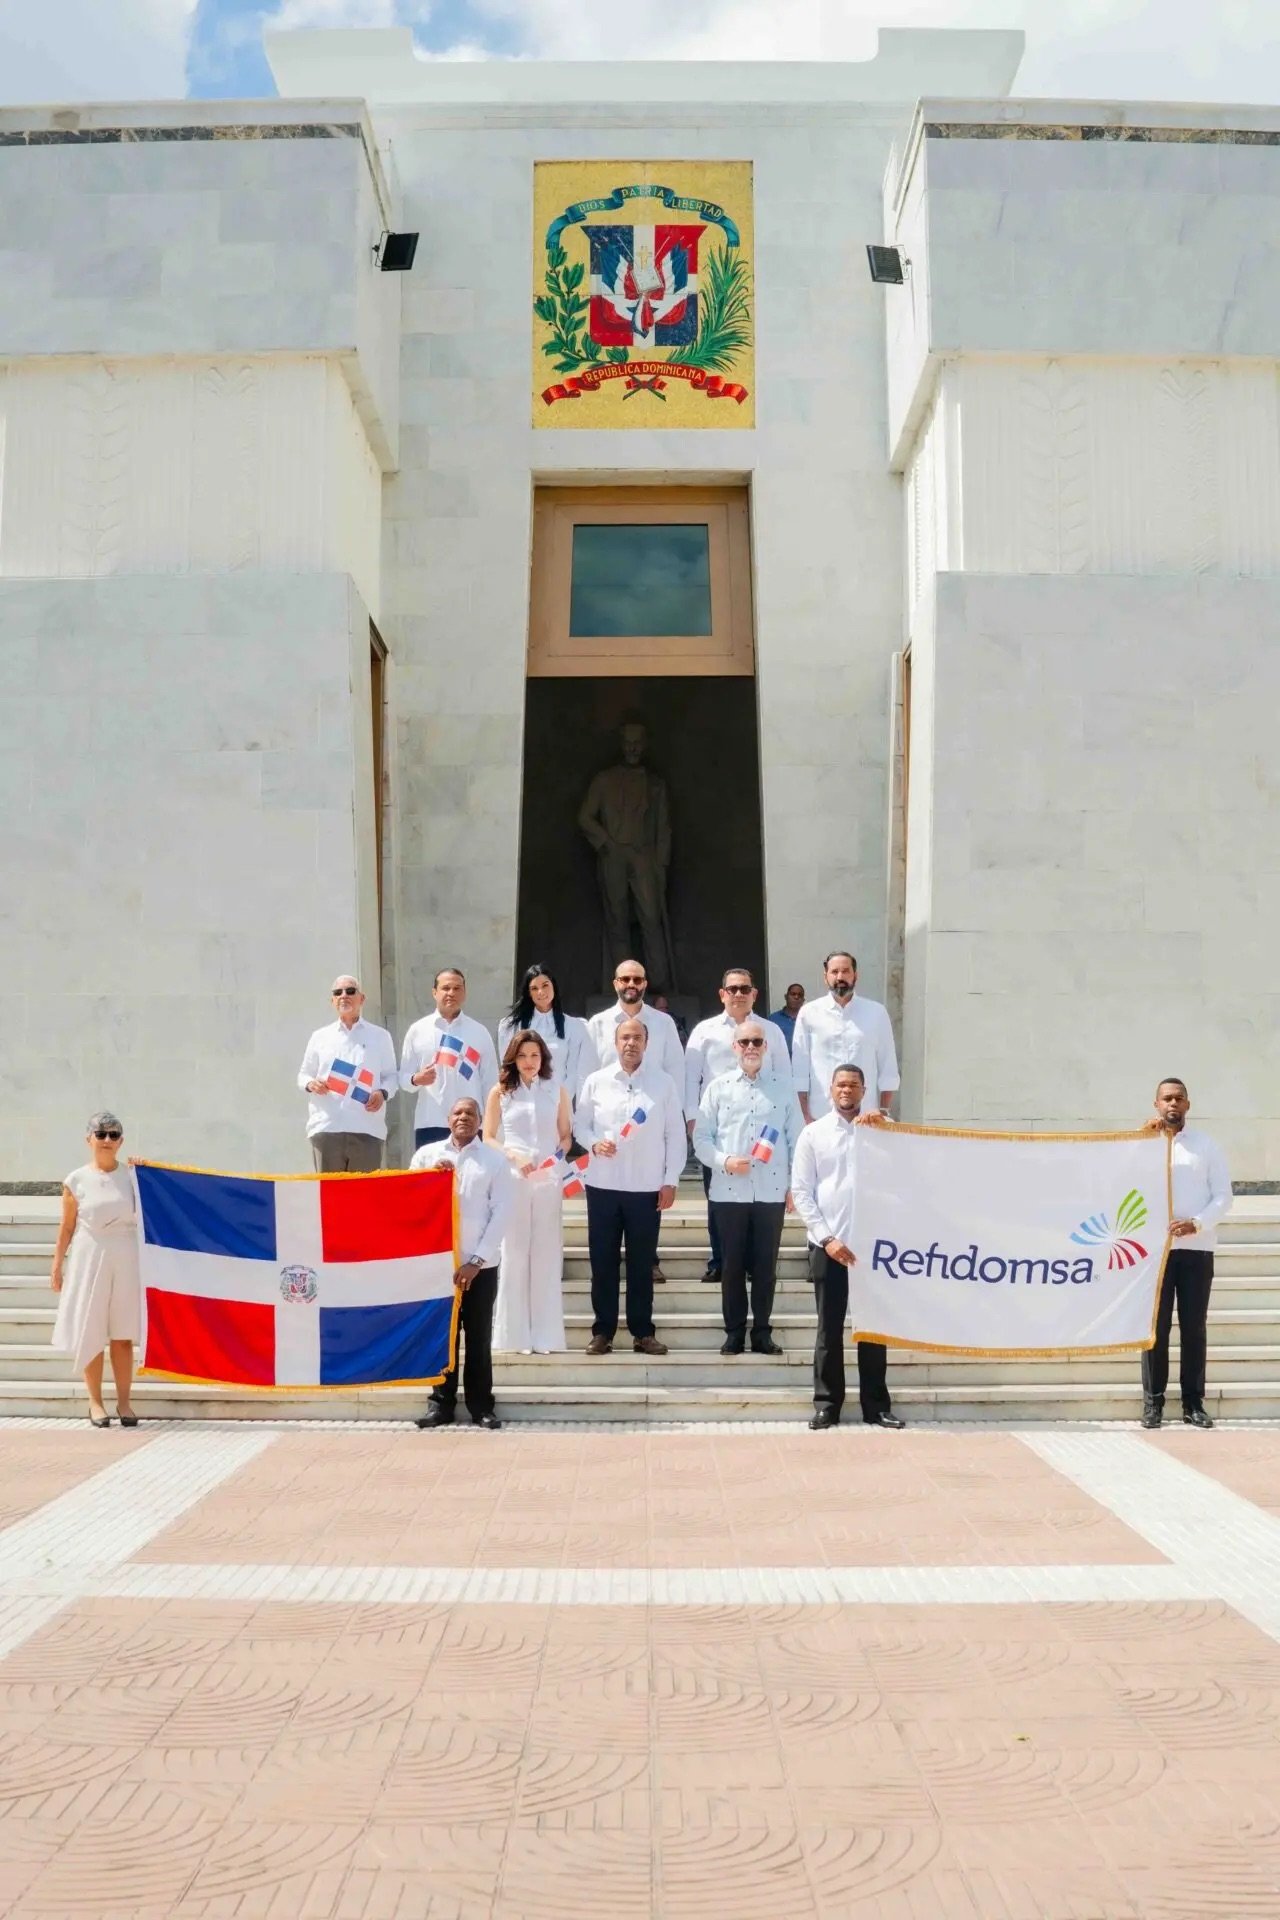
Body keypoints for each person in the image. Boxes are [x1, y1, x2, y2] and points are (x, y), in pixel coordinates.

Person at [790, 1065, 905, 1431]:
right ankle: (827, 1404)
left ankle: (876, 1406)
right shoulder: (813, 1134)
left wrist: (886, 1123)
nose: (847, 1090)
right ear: (830, 1089)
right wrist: (827, 1237)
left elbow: (904, 1175)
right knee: (829, 1327)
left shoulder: (879, 1132)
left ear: (864, 1089)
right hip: (829, 1246)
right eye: (841, 1084)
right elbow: (802, 1193)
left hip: (871, 1248)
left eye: (854, 1085)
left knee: (872, 1329)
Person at [575, 1017, 685, 1356]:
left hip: (647, 1187)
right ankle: (603, 1332)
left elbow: (674, 1135)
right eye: (625, 1037)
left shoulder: (663, 1083)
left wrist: (671, 1180)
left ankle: (642, 1332)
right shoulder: (596, 1081)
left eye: (637, 1037)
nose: (631, 1043)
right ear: (615, 1041)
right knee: (603, 1262)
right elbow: (580, 1125)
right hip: (603, 1185)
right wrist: (594, 1143)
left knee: (641, 1265)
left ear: (647, 1043)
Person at [693, 1021, 802, 1356]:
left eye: (757, 1041)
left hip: (770, 1192)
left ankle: (763, 1332)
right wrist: (724, 1160)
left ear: (765, 1047)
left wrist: (794, 1186)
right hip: (730, 1192)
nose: (751, 1047)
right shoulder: (717, 1088)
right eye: (744, 1042)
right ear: (734, 1047)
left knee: (766, 1267)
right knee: (732, 1267)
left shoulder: (784, 1088)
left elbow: (797, 1139)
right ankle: (734, 1333)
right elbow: (701, 1138)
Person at [685, 968, 791, 1285]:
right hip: (719, 1129)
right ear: (722, 994)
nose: (738, 994)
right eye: (732, 989)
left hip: (764, 1131)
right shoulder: (704, 1031)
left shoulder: (770, 1031)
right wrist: (692, 1119)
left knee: (758, 1202)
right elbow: (691, 1078)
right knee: (720, 1199)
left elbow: (784, 1077)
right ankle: (721, 1260)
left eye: (744, 988)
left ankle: (752, 1263)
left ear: (754, 994)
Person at [411, 1096, 512, 1430]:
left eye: (470, 1113)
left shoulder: (494, 1161)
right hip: (440, 1267)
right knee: (444, 1338)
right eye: (458, 1112)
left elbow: (500, 1214)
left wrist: (476, 1261)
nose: (463, 1117)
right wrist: (429, 1179)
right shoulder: (427, 1156)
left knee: (479, 1337)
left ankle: (482, 1407)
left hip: (480, 1266)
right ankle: (440, 1405)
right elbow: (408, 1200)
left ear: (480, 1120)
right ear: (447, 1118)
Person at [1141, 1077, 1233, 1430]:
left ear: (1188, 1105)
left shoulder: (1206, 1146)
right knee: (1155, 1330)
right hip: (1156, 1253)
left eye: (1179, 1098)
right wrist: (1142, 1137)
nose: (1173, 1104)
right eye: (1166, 1099)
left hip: (1196, 1249)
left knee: (1193, 1328)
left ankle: (1193, 1403)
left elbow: (1223, 1195)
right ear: (1156, 1104)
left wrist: (1197, 1223)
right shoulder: (1143, 1144)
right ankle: (1153, 1404)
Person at [50, 1111, 141, 1427]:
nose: (106, 1140)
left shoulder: (133, 1177)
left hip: (126, 1254)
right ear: (88, 1139)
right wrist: (56, 1266)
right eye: (100, 1134)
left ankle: (125, 1404)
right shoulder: (76, 1179)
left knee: (123, 1333)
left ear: (121, 1141)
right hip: (90, 1254)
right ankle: (95, 1403)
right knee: (91, 1329)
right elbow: (66, 1227)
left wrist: (148, 1172)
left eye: (113, 1135)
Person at [484, 1030, 572, 1355]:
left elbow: (565, 1136)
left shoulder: (556, 1090)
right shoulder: (500, 1092)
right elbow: (488, 1136)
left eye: (534, 1056)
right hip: (515, 1174)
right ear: (513, 1059)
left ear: (543, 1058)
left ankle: (547, 1336)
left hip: (548, 1177)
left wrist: (555, 1159)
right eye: (522, 1056)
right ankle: (513, 1336)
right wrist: (513, 1156)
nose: (529, 1062)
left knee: (547, 1252)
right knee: (515, 1251)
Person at [578, 718, 674, 993]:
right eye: (628, 743)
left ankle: (660, 985)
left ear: (644, 745)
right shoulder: (604, 780)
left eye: (637, 743)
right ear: (621, 745)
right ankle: (623, 985)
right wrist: (605, 843)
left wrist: (662, 865)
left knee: (651, 919)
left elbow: (663, 827)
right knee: (617, 920)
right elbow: (585, 817)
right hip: (613, 856)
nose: (632, 748)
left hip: (645, 857)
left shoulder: (655, 785)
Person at [296, 975, 397, 1172]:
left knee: (364, 1199)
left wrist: (382, 1093)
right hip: (327, 1127)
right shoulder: (320, 1037)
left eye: (350, 991)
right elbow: (303, 1075)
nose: (344, 996)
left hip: (367, 1129)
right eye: (338, 992)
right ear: (332, 1000)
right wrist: (311, 1084)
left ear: (362, 998)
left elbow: (391, 1076)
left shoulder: (380, 1036)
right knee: (330, 1200)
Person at [400, 967, 500, 1153]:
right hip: (431, 1120)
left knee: (471, 1179)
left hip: (470, 1123)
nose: (451, 993)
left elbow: (490, 1082)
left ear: (464, 993)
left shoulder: (479, 1032)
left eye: (457, 988)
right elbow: (403, 1079)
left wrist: (489, 1125)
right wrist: (416, 1079)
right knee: (431, 1181)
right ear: (434, 992)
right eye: (446, 988)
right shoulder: (418, 1030)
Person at [792, 952, 899, 1124]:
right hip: (820, 1115)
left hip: (866, 1116)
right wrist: (805, 1114)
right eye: (834, 972)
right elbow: (800, 1068)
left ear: (855, 975)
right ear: (825, 977)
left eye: (845, 971)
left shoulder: (876, 1012)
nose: (840, 977)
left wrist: (884, 1111)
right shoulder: (809, 1013)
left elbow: (888, 1065)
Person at [497, 964, 591, 1101]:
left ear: (553, 986)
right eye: (534, 988)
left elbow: (574, 1073)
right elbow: (508, 1069)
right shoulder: (510, 1026)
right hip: (521, 1102)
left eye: (545, 985)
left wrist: (559, 1103)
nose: (540, 992)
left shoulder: (574, 1026)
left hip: (558, 1104)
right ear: (528, 993)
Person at [767, 982, 806, 1056]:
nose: (796, 997)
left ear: (803, 1000)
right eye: (793, 994)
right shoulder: (773, 1020)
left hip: (803, 1063)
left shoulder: (808, 1019)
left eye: (800, 995)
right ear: (786, 997)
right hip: (780, 1063)